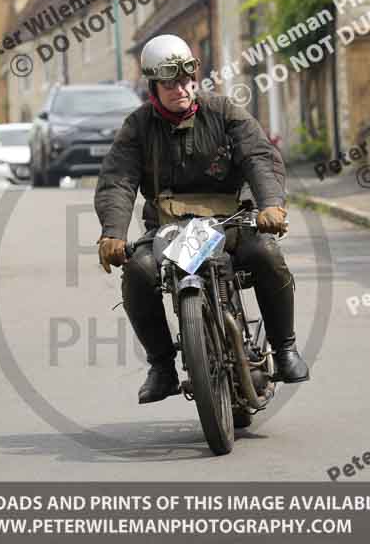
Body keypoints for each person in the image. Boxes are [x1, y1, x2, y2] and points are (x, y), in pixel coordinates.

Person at [94, 34, 309, 404]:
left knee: (267, 254)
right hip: (168, 230)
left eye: (185, 80)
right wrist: (112, 233)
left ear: (194, 78)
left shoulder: (225, 112)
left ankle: (285, 349)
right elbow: (118, 180)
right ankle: (161, 367)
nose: (180, 89)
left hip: (232, 224)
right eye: (169, 83)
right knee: (139, 271)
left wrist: (270, 205)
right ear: (153, 87)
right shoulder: (138, 127)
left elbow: (259, 157)